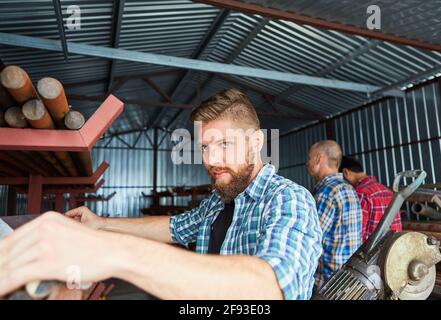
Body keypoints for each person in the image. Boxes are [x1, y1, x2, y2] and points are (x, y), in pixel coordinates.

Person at [0, 89, 323, 300]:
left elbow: (270, 287)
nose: (210, 160)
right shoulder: (219, 202)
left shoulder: (288, 199)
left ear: (255, 143)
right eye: (205, 148)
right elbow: (172, 227)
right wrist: (101, 224)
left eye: (225, 145)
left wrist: (116, 253)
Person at [306, 140, 362, 287]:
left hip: (327, 281)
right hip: (347, 276)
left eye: (309, 158)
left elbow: (311, 239)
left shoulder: (326, 193)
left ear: (318, 159)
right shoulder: (348, 189)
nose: (307, 163)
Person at [339, 156, 402, 242]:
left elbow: (358, 233)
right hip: (394, 248)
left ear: (346, 172)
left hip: (372, 253)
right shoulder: (387, 191)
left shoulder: (360, 193)